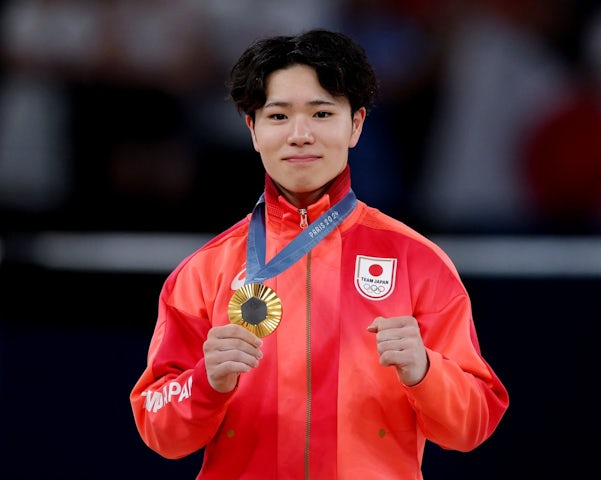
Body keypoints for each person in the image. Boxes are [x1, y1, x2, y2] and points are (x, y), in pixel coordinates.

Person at [129, 28, 509, 479]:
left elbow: (474, 424)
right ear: (252, 130)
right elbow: (159, 430)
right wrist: (205, 382)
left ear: (356, 125)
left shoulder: (417, 261)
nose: (300, 134)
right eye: (278, 117)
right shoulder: (203, 272)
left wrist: (427, 371)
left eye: (322, 112)